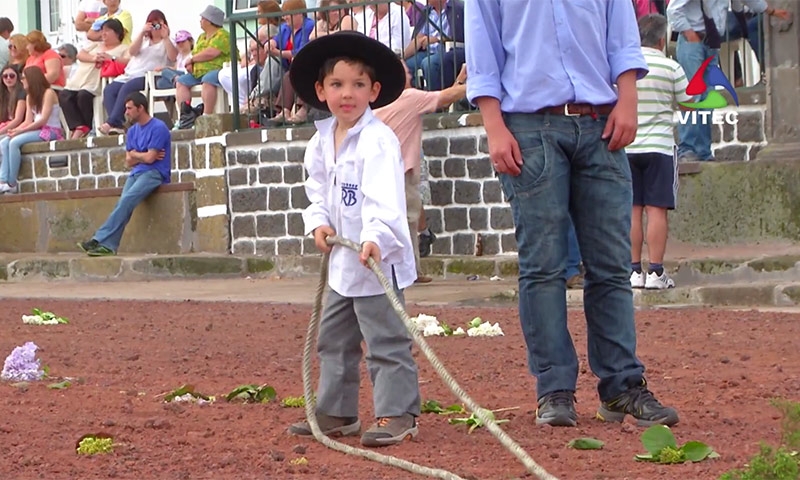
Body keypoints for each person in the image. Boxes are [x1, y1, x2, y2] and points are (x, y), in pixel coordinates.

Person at [465, 0, 679, 427]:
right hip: (528, 124)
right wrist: (493, 125)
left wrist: (628, 97)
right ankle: (554, 390)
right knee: (543, 267)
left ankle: (622, 386)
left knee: (612, 265)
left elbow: (620, 34)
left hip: (601, 121)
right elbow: (482, 45)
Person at [286, 31, 420, 447]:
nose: (348, 94)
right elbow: (317, 190)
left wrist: (376, 236)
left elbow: (385, 199)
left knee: (386, 339)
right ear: (321, 91)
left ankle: (398, 412)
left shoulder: (378, 141)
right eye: (338, 85)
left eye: (358, 85)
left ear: (374, 91)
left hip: (376, 259)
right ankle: (337, 410)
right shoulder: (321, 141)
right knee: (333, 338)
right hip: (343, 262)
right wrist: (319, 223)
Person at [374, 61, 467, 283]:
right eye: (405, 71)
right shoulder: (408, 97)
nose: (409, 74)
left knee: (405, 220)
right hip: (399, 170)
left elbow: (440, 97)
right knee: (406, 221)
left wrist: (461, 79)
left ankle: (410, 270)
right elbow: (444, 98)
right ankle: (404, 272)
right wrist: (478, 82)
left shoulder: (384, 100)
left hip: (384, 170)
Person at [666, 0, 789, 162]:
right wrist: (689, 32)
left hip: (711, 40)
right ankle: (687, 148)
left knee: (707, 97)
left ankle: (702, 150)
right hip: (693, 40)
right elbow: (673, 10)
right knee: (694, 97)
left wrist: (771, 11)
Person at [77, 92, 172, 256]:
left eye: (129, 108)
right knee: (123, 204)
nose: (126, 112)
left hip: (155, 173)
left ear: (140, 108)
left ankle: (98, 239)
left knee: (126, 201)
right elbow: (129, 161)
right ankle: (109, 246)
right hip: (137, 173)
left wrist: (138, 155)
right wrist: (140, 156)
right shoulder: (133, 131)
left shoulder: (158, 127)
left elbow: (150, 159)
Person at [99, 10, 177, 135]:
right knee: (110, 90)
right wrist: (142, 32)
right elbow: (132, 52)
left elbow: (173, 57)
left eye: (158, 24)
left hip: (148, 76)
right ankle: (118, 124)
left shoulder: (168, 42)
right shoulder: (144, 41)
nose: (155, 27)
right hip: (131, 73)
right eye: (152, 24)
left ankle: (111, 122)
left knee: (126, 88)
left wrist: (165, 36)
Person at [59, 19, 128, 139]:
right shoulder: (96, 45)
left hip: (97, 81)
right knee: (64, 95)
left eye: (107, 30)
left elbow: (127, 63)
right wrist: (94, 58)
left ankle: (85, 126)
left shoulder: (123, 48)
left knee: (83, 95)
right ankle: (78, 126)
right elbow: (80, 55)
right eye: (102, 30)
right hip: (80, 77)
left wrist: (110, 58)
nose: (103, 34)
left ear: (117, 33)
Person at [0, 67, 64, 195]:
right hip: (36, 129)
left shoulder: (48, 93)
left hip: (51, 131)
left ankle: (12, 183)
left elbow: (43, 120)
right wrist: (15, 130)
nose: (22, 80)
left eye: (23, 78)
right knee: (5, 141)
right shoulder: (30, 97)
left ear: (32, 79)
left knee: (14, 142)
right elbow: (28, 121)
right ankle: (2, 181)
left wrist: (19, 133)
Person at [175, 5, 231, 118]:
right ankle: (185, 116)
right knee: (181, 82)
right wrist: (191, 64)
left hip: (218, 69)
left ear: (210, 21)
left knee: (208, 79)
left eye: (202, 18)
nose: (200, 21)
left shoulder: (223, 35)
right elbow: (196, 52)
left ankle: (207, 115)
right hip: (199, 71)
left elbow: (212, 52)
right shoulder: (201, 37)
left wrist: (192, 60)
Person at [0, 65, 26, 139]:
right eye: (5, 76)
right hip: (6, 127)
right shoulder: (3, 95)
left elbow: (18, 119)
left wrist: (1, 131)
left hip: (19, 128)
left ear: (17, 77)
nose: (8, 78)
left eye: (12, 76)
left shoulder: (22, 92)